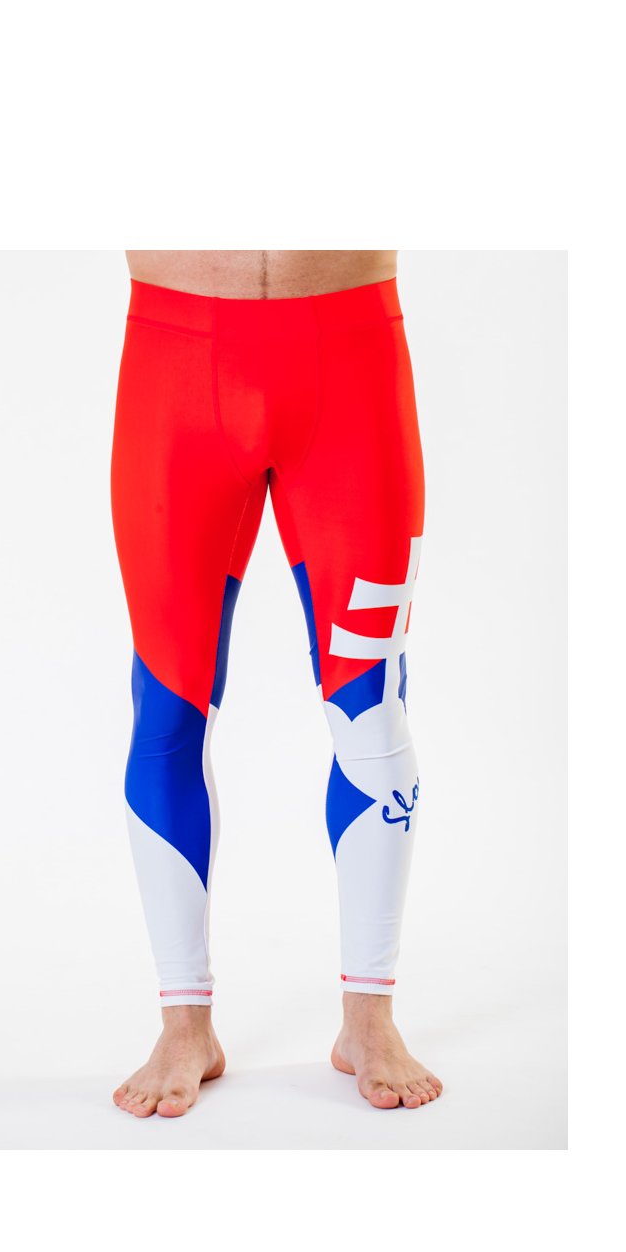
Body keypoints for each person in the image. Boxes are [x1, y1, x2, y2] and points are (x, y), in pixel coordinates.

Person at [110, 251, 442, 1117]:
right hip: (175, 355)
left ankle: (369, 1018)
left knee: (371, 707)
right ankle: (184, 1023)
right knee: (167, 712)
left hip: (351, 351)